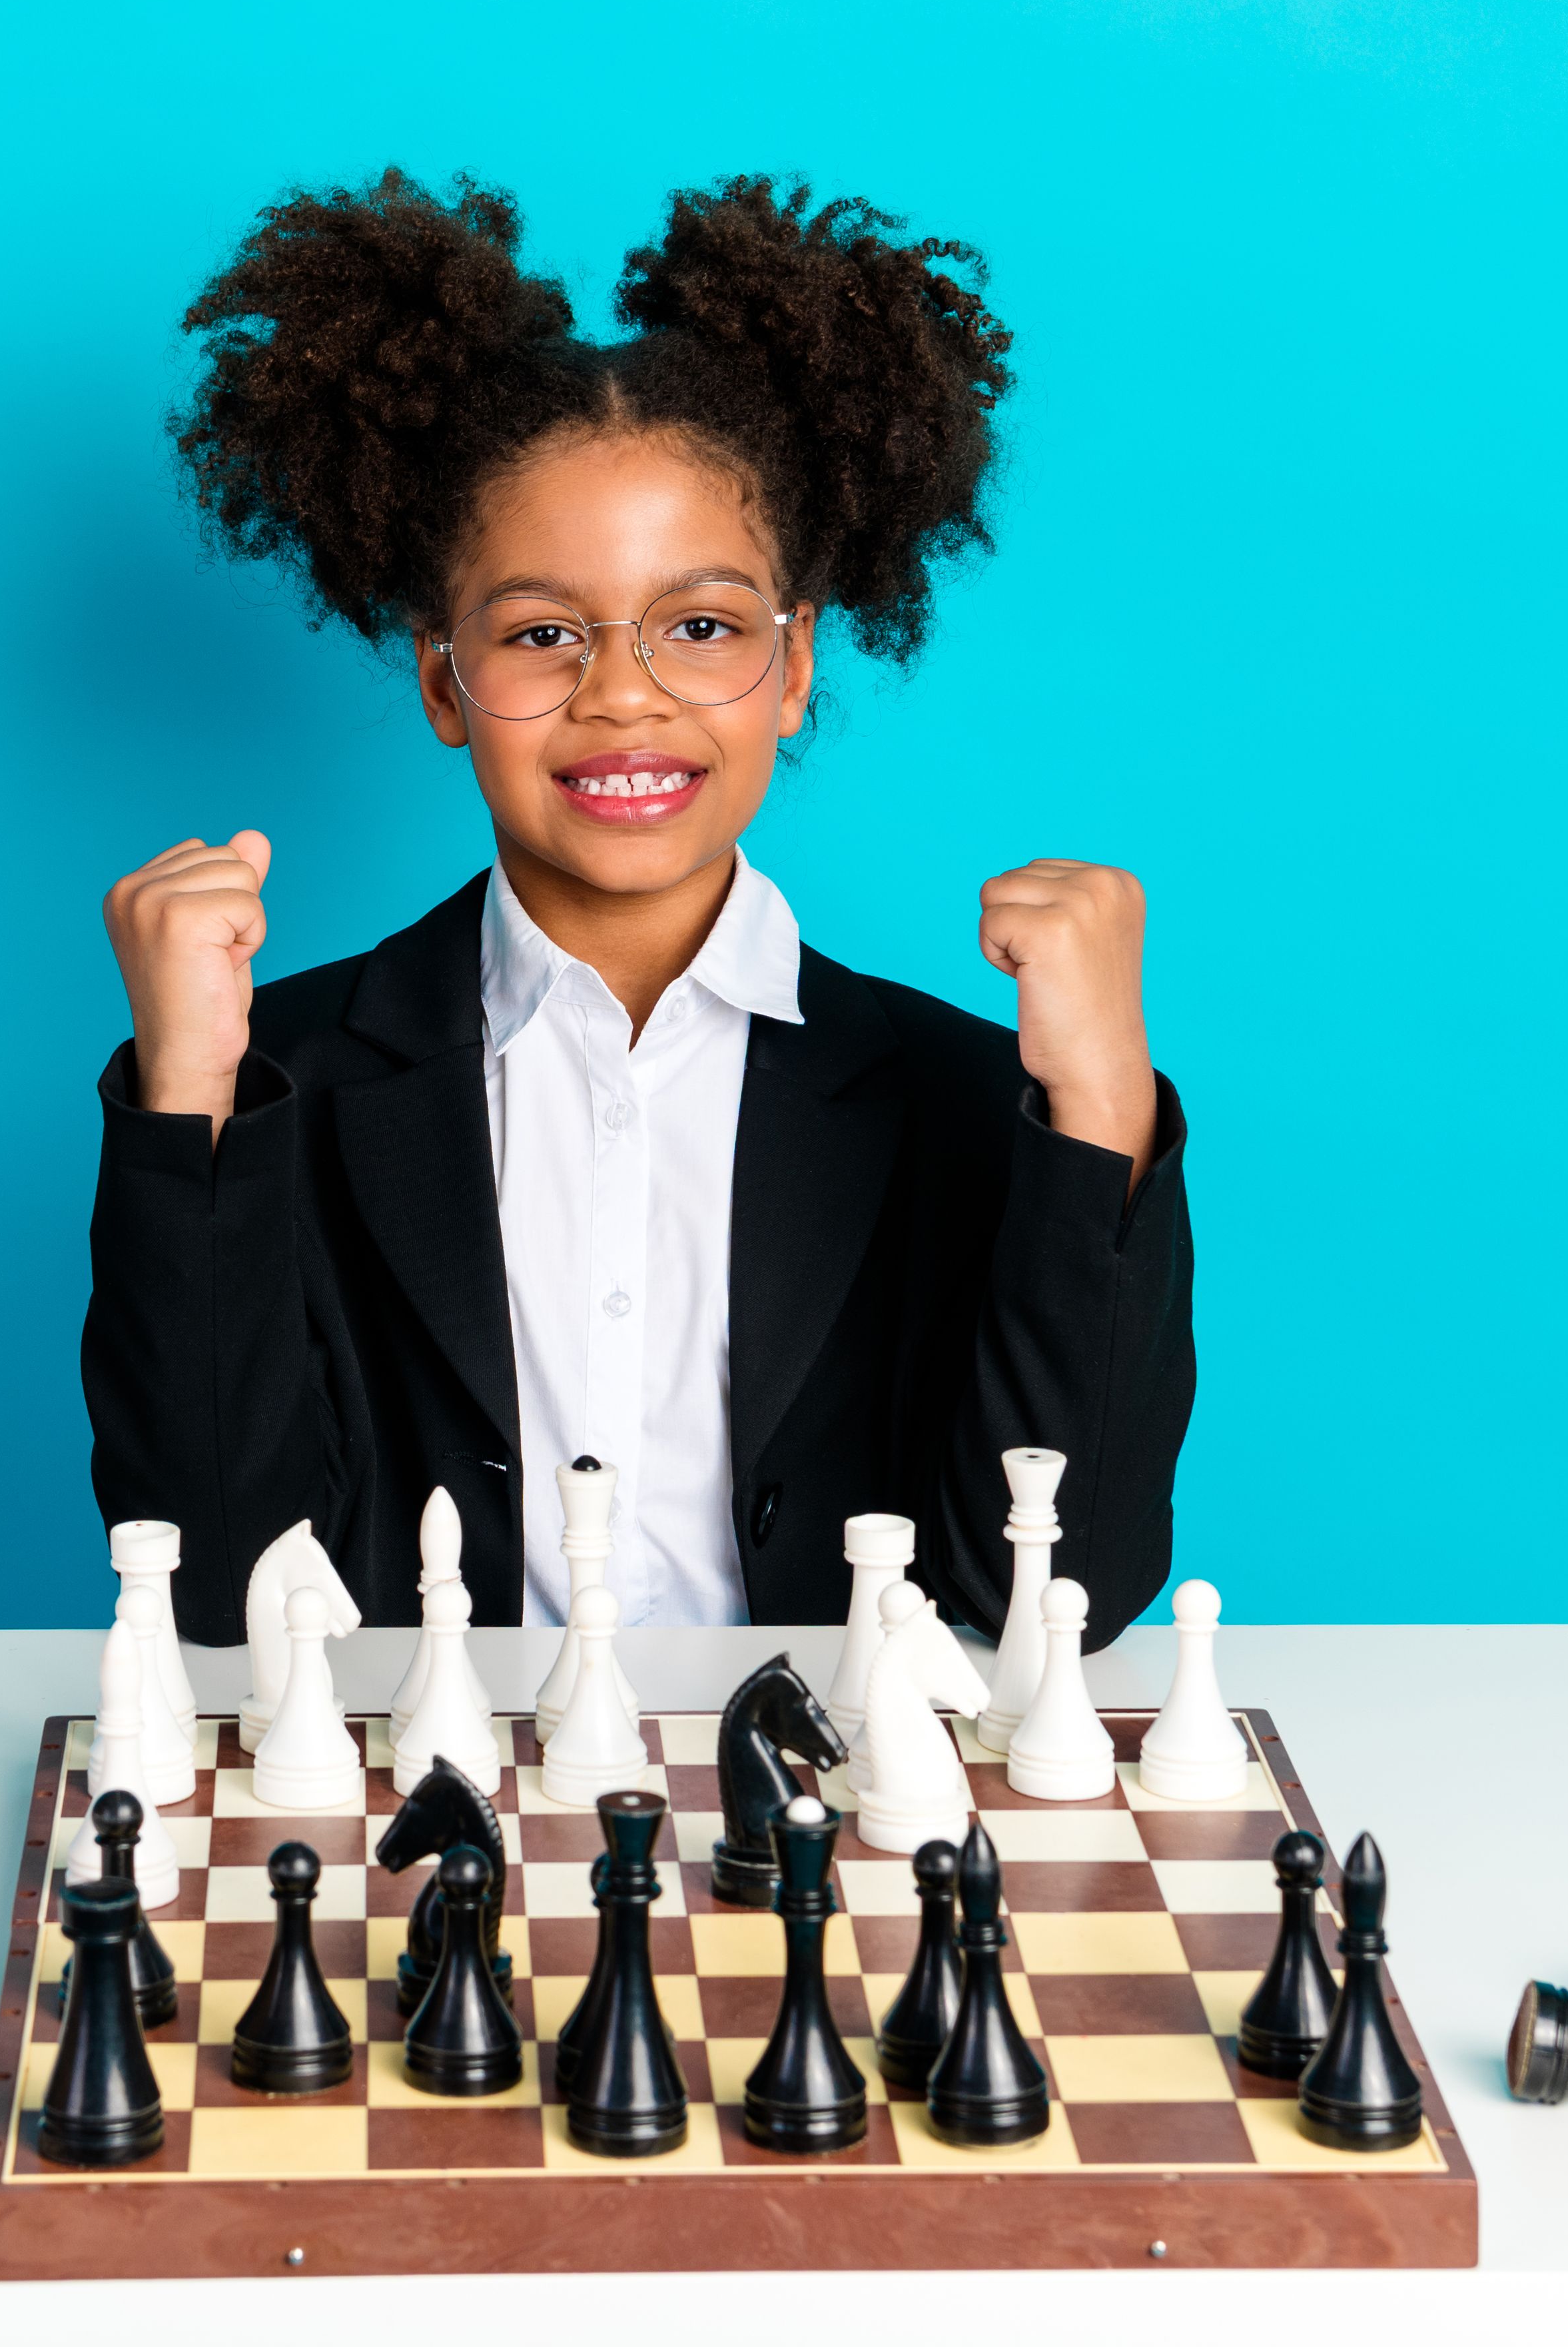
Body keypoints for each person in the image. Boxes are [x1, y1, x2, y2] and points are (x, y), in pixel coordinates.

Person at [84, 170, 1193, 1649]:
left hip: (819, 1829)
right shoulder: (275, 1079)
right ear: (444, 683)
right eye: (544, 633)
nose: (623, 695)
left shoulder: (971, 1100)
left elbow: (1066, 1595)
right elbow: (218, 1586)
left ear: (795, 670)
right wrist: (189, 1103)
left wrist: (1103, 1108)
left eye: (703, 627)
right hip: (438, 1831)